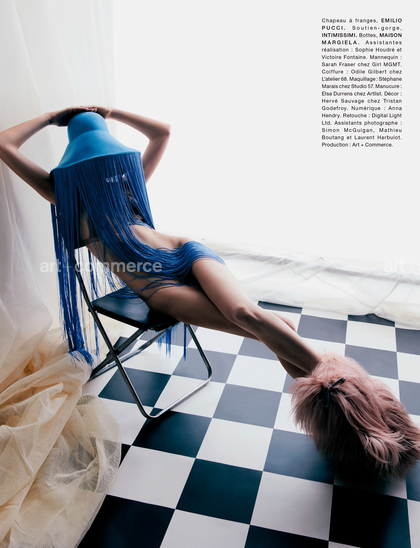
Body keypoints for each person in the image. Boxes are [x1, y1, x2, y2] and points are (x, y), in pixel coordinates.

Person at [1, 105, 419, 478]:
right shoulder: (64, 195)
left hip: (186, 250)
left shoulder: (127, 181)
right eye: (99, 163)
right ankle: (359, 417)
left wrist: (110, 113)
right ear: (75, 170)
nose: (108, 168)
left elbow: (162, 131)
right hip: (159, 285)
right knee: (275, 326)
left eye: (112, 161)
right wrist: (50, 118)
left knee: (248, 314)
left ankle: (358, 410)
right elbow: (4, 143)